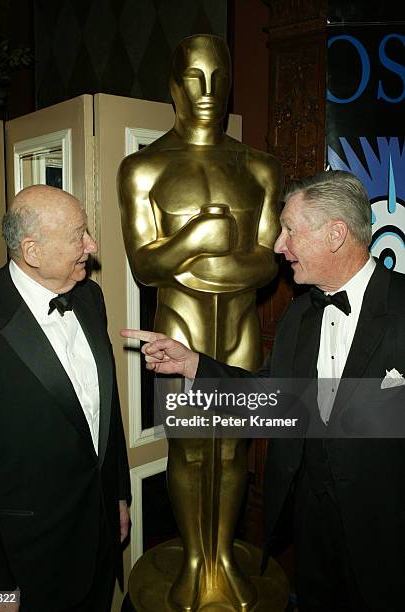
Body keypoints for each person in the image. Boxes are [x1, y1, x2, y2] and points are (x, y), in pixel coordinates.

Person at [122, 170, 405, 612]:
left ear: (335, 234)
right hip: (312, 534)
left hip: (388, 536)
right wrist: (192, 363)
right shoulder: (297, 318)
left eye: (290, 231)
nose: (278, 247)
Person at [117, 34, 281, 610]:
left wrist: (193, 259)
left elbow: (268, 261)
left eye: (218, 76)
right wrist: (196, 238)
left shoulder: (259, 166)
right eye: (194, 77)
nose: (208, 91)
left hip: (239, 326)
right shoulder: (143, 168)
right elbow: (142, 265)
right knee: (187, 450)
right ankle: (194, 558)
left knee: (234, 448)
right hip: (178, 325)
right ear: (173, 84)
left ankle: (225, 556)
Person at [0, 185, 131, 612]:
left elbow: (102, 409)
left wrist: (118, 496)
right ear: (32, 250)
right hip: (25, 564)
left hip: (98, 536)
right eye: (79, 235)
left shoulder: (90, 297)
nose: (92, 246)